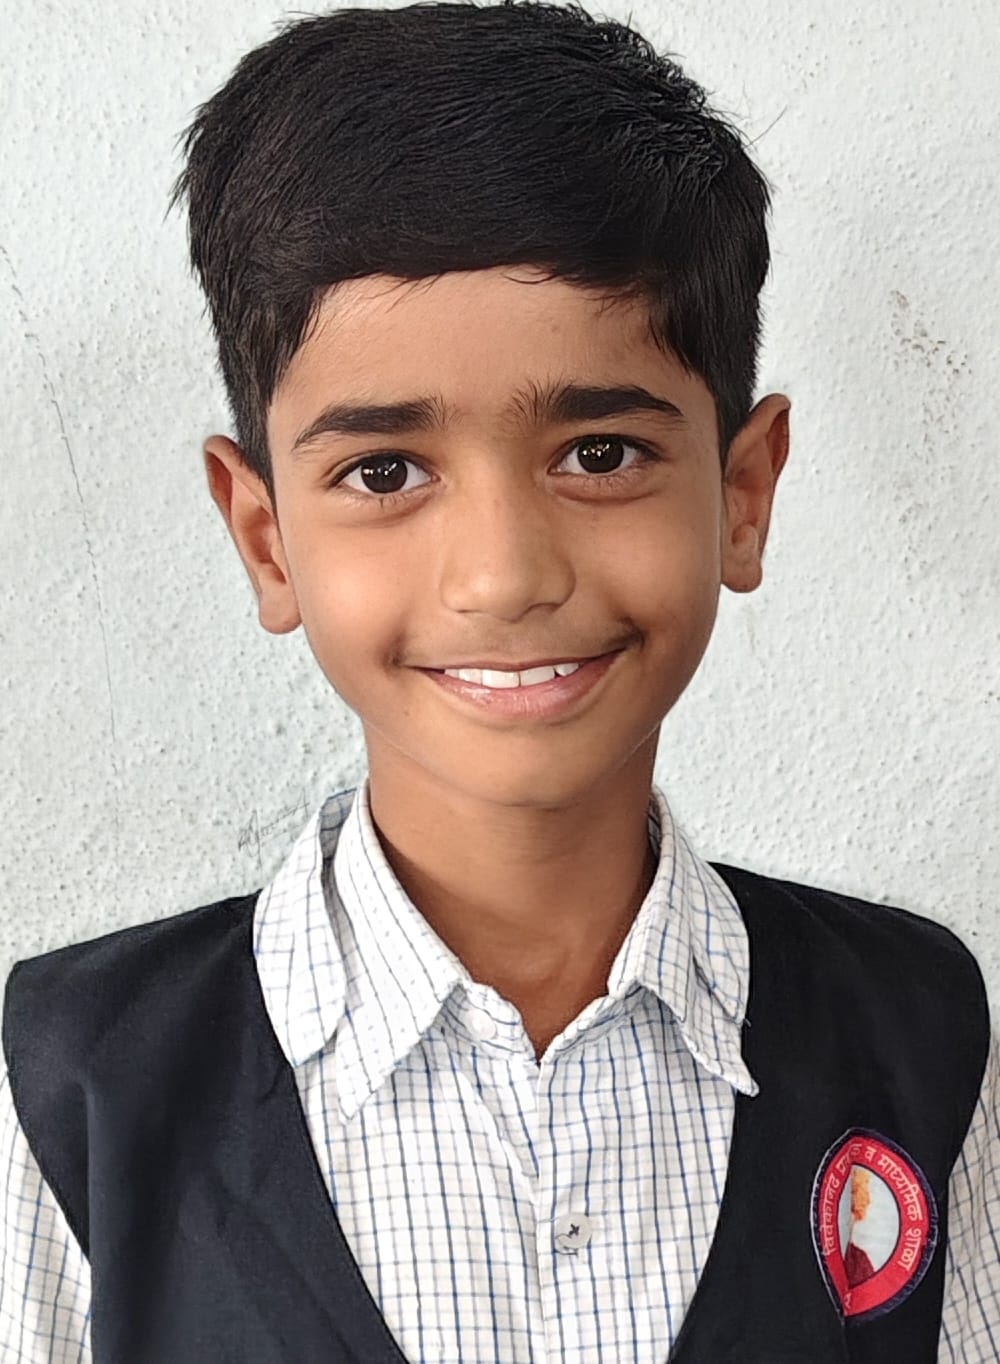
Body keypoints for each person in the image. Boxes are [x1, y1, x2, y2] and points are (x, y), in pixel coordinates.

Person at [1, 2, 997, 1360]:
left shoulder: (923, 1039)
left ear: (743, 494)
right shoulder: (68, 1096)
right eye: (384, 472)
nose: (503, 575)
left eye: (600, 454)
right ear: (266, 538)